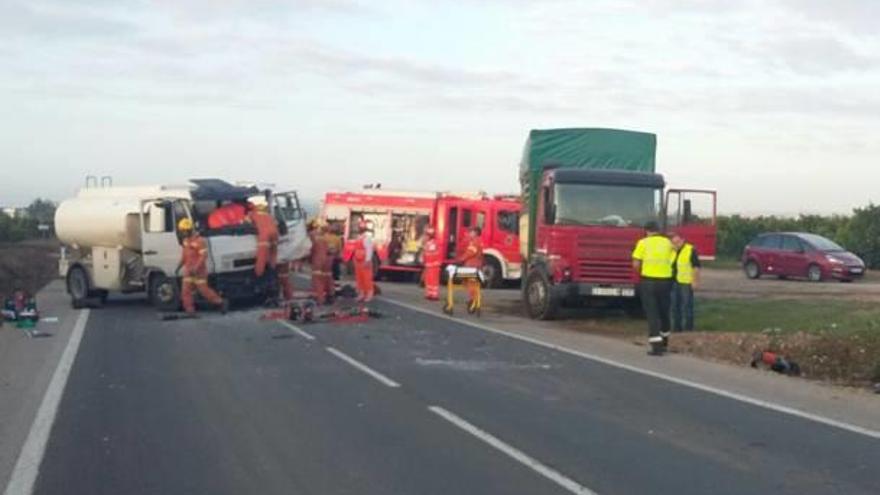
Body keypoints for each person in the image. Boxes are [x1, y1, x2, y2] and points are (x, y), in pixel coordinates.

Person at [632, 221, 676, 356]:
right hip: (665, 281)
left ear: (647, 231)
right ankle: (664, 342)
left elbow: (636, 263)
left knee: (652, 313)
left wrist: (642, 271)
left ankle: (656, 347)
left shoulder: (643, 243)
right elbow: (673, 260)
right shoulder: (668, 243)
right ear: (658, 230)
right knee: (664, 312)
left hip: (649, 281)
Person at [177, 218, 228, 315]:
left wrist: (196, 268)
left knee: (204, 291)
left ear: (188, 230)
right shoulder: (185, 241)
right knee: (185, 291)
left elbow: (203, 256)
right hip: (188, 270)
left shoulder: (199, 241)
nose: (182, 233)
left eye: (183, 231)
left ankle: (221, 302)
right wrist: (179, 266)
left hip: (199, 271)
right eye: (181, 231)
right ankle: (190, 311)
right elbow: (184, 255)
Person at [671, 232, 701, 332]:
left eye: (677, 242)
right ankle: (677, 328)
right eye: (673, 243)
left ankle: (688, 329)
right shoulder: (672, 251)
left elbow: (696, 267)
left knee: (687, 307)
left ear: (683, 240)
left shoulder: (690, 250)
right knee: (675, 307)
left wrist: (695, 281)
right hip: (675, 282)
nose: (675, 245)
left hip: (686, 283)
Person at [248, 202, 279, 278]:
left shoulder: (251, 214)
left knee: (262, 255)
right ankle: (272, 270)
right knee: (273, 253)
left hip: (264, 234)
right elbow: (276, 223)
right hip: (275, 233)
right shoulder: (267, 215)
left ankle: (258, 274)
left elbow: (245, 224)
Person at [459, 226, 484, 311]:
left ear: (476, 232)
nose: (470, 233)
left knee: (471, 284)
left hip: (472, 265)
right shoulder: (478, 241)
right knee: (471, 284)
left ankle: (474, 300)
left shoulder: (475, 242)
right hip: (474, 265)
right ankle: (474, 299)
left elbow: (470, 252)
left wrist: (461, 259)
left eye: (471, 232)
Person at [308, 221, 332, 304]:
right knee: (327, 278)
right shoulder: (327, 237)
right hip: (327, 259)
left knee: (317, 279)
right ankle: (330, 295)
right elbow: (330, 250)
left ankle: (320, 299)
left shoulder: (312, 235)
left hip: (318, 259)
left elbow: (310, 249)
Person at [352, 221, 375, 302]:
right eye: (359, 228)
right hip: (358, 261)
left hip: (364, 260)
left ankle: (369, 294)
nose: (360, 229)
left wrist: (368, 260)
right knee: (359, 278)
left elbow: (369, 250)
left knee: (367, 278)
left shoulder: (367, 238)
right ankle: (361, 294)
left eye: (361, 228)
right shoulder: (358, 238)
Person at [422, 227, 442, 301]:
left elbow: (432, 254)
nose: (425, 237)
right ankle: (429, 294)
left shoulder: (433, 243)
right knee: (429, 280)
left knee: (434, 281)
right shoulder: (428, 243)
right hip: (429, 265)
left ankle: (434, 295)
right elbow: (426, 254)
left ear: (430, 236)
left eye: (426, 235)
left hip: (434, 265)